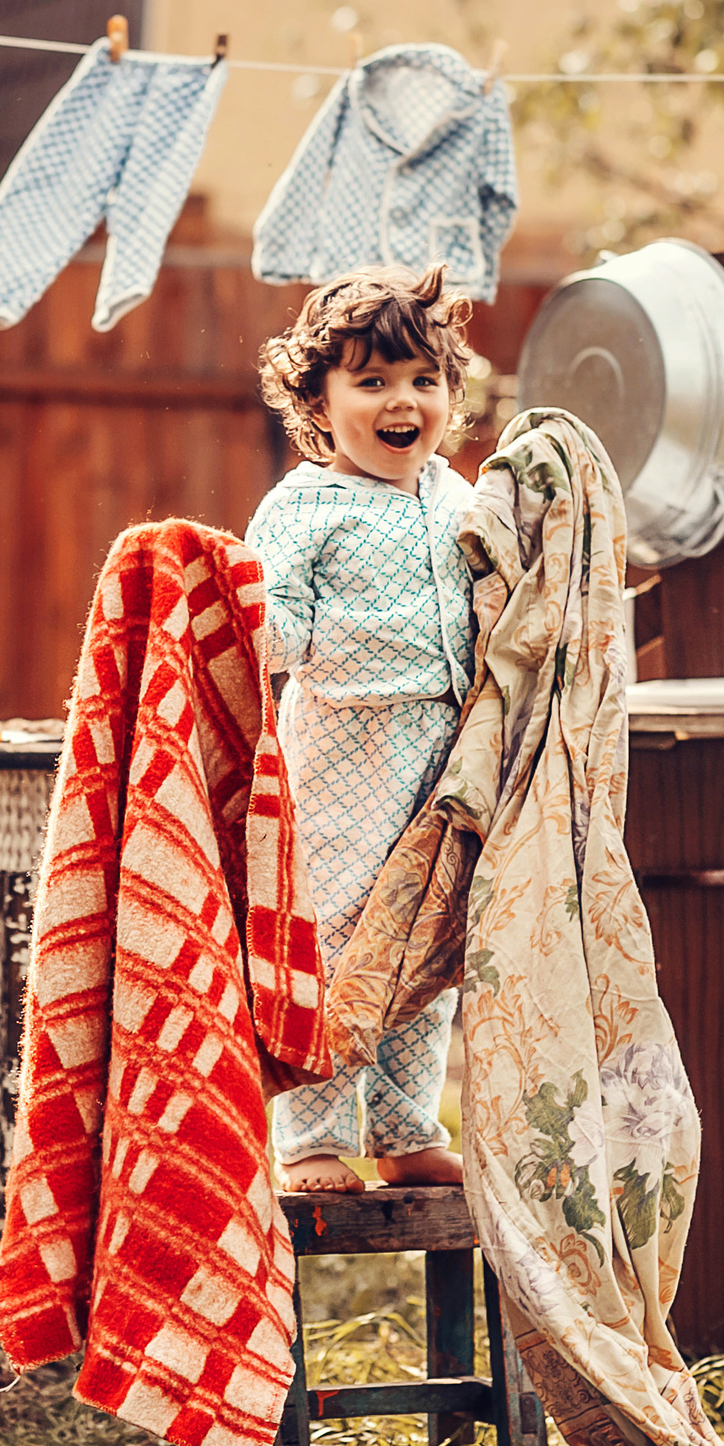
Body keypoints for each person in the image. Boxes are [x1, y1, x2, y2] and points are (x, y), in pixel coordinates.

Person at [246, 264, 477, 1194]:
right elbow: (273, 633)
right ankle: (306, 1134)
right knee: (335, 937)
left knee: (427, 937)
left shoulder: (460, 500)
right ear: (318, 398)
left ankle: (402, 1125)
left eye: (424, 380)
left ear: (451, 394)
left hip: (445, 750)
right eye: (372, 380)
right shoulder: (301, 506)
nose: (402, 401)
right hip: (345, 748)